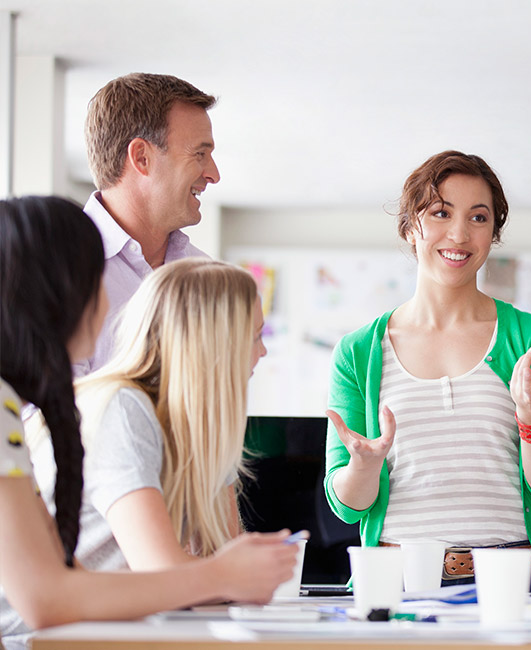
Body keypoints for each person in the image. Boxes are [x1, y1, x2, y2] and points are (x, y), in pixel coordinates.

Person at [0, 196, 297, 650]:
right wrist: (221, 575)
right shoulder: (113, 407)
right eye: (94, 283)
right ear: (56, 297)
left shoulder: (14, 413)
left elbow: (70, 585)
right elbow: (46, 600)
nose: (107, 302)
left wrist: (226, 577)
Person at [323, 151, 531, 593]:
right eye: (441, 213)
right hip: (393, 583)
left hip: (508, 583)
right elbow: (349, 507)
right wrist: (365, 465)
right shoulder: (359, 351)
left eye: (478, 218)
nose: (460, 234)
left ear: (493, 232)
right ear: (409, 227)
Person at [24, 257, 277, 578]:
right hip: (51, 626)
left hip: (118, 620)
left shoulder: (199, 425)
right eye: (256, 336)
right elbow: (161, 570)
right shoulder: (121, 408)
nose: (263, 352)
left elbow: (221, 552)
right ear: (215, 347)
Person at [74, 72, 220, 376]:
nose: (213, 174)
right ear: (142, 157)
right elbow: (37, 417)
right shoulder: (54, 269)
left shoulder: (206, 275)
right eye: (199, 154)